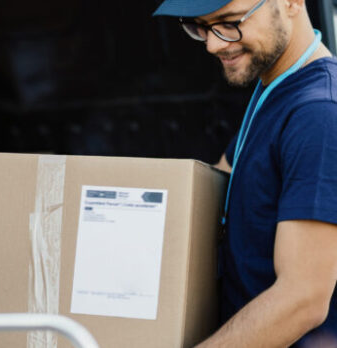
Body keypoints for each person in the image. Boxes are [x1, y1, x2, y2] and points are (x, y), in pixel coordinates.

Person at [153, 0, 337, 347]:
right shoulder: (275, 93)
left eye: (229, 21)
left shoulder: (319, 115)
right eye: (201, 27)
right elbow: (211, 188)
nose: (213, 43)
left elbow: (304, 298)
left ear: (292, 3)